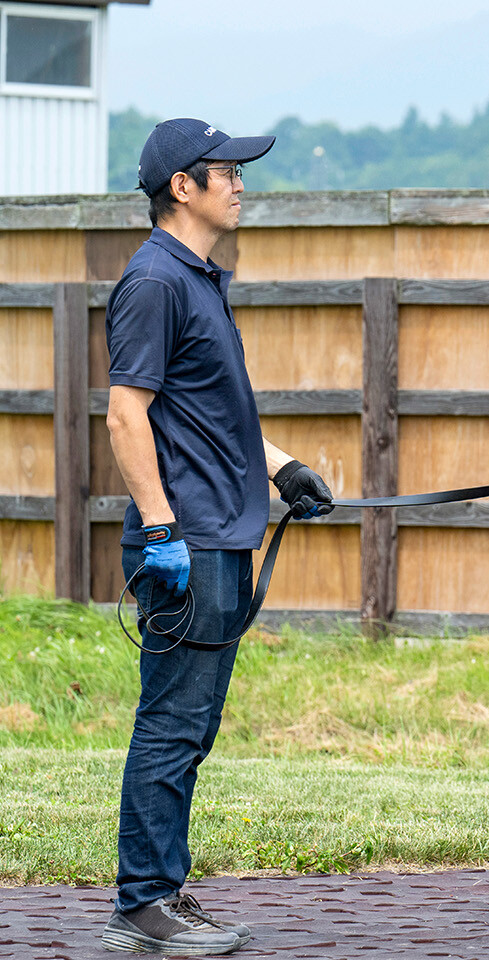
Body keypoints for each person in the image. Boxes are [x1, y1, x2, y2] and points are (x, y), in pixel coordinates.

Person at [101, 118, 334, 956]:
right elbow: (127, 414)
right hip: (187, 544)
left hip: (219, 536)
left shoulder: (198, 277)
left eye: (240, 171)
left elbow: (205, 414)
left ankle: (160, 894)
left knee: (191, 728)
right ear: (181, 187)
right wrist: (160, 529)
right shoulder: (155, 282)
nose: (241, 182)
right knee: (171, 724)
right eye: (225, 171)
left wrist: (283, 470)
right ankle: (143, 905)